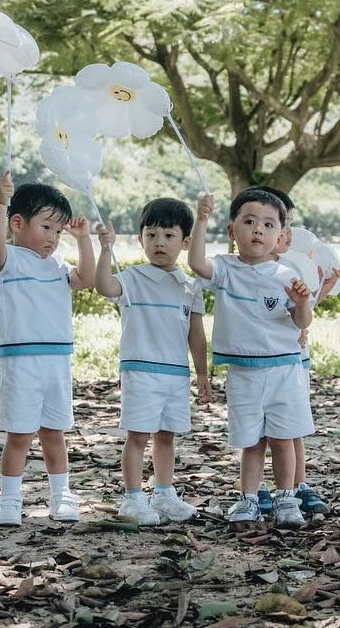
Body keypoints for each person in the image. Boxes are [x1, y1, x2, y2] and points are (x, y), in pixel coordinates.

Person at [188, 188, 314, 528]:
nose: (258, 230)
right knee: (252, 441)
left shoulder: (287, 276)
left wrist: (302, 304)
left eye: (269, 224)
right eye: (249, 221)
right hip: (244, 371)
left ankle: (287, 499)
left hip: (284, 369)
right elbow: (195, 263)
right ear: (232, 231)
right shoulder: (226, 269)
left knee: (283, 439)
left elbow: (302, 323)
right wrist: (201, 218)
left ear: (280, 235)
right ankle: (248, 499)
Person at [0, 174, 96, 527]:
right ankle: (10, 499)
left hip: (57, 362)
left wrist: (84, 240)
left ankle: (61, 495)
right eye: (46, 227)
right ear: (17, 223)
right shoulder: (8, 261)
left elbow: (88, 279)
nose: (53, 237)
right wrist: (1, 201)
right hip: (21, 363)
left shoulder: (59, 266)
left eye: (59, 231)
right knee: (19, 435)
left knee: (54, 433)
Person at [92, 198, 209, 525]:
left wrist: (202, 373)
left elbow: (196, 334)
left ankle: (164, 494)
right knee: (139, 436)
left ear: (185, 242)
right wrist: (105, 249)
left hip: (176, 375)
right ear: (140, 238)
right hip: (141, 372)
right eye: (152, 234)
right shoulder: (131, 278)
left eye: (169, 236)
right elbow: (104, 286)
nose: (159, 242)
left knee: (167, 436)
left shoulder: (190, 286)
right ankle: (132, 498)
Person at [247, 186, 340, 520]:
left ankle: (297, 486)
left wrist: (325, 288)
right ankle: (256, 489)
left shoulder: (291, 270)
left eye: (281, 224)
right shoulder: (243, 271)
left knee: (292, 427)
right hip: (257, 361)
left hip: (292, 360)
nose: (282, 233)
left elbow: (304, 311)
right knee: (255, 430)